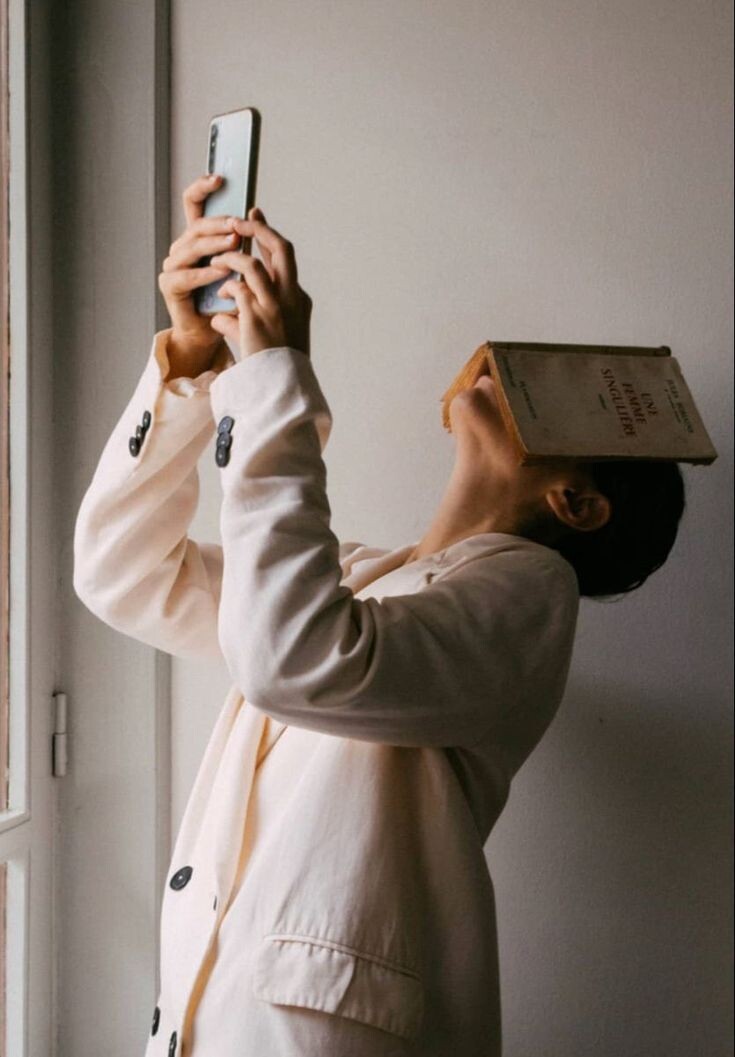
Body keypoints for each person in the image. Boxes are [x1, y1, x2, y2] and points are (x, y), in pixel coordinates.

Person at [73, 174, 686, 1057]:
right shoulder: (363, 580)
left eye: (572, 405)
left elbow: (293, 658)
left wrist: (274, 381)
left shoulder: (531, 595)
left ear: (577, 502)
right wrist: (195, 362)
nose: (508, 371)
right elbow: (121, 572)